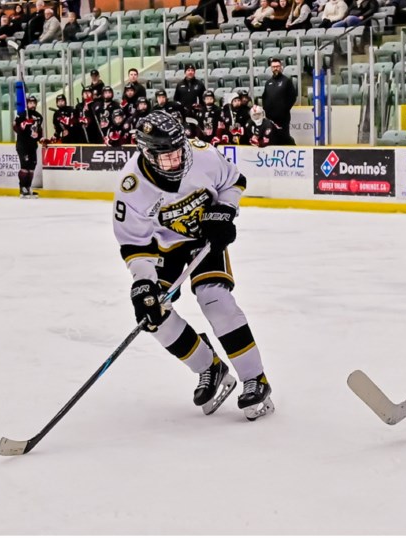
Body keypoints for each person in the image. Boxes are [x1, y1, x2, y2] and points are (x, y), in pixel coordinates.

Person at [112, 110, 274, 420]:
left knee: (214, 298)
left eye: (178, 150)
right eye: (167, 156)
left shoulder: (202, 155)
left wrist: (224, 212)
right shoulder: (132, 188)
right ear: (146, 153)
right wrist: (143, 282)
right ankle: (209, 367)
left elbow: (234, 181)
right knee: (153, 314)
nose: (177, 159)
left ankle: (255, 378)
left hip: (204, 238)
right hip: (163, 247)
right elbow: (134, 244)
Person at [13, 95, 43, 199]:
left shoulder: (39, 116)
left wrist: (39, 137)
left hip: (32, 145)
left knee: (31, 168)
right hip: (23, 145)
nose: (33, 105)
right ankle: (22, 188)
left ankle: (28, 187)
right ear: (27, 104)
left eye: (34, 103)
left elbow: (39, 131)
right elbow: (15, 128)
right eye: (30, 103)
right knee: (25, 167)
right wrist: (23, 124)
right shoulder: (21, 115)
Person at [262, 58, 297, 144]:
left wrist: (284, 109)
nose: (275, 68)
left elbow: (292, 97)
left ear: (281, 67)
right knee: (271, 137)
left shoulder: (286, 81)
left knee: (283, 137)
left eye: (277, 66)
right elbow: (264, 97)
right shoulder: (268, 82)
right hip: (270, 117)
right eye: (273, 67)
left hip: (283, 118)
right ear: (271, 68)